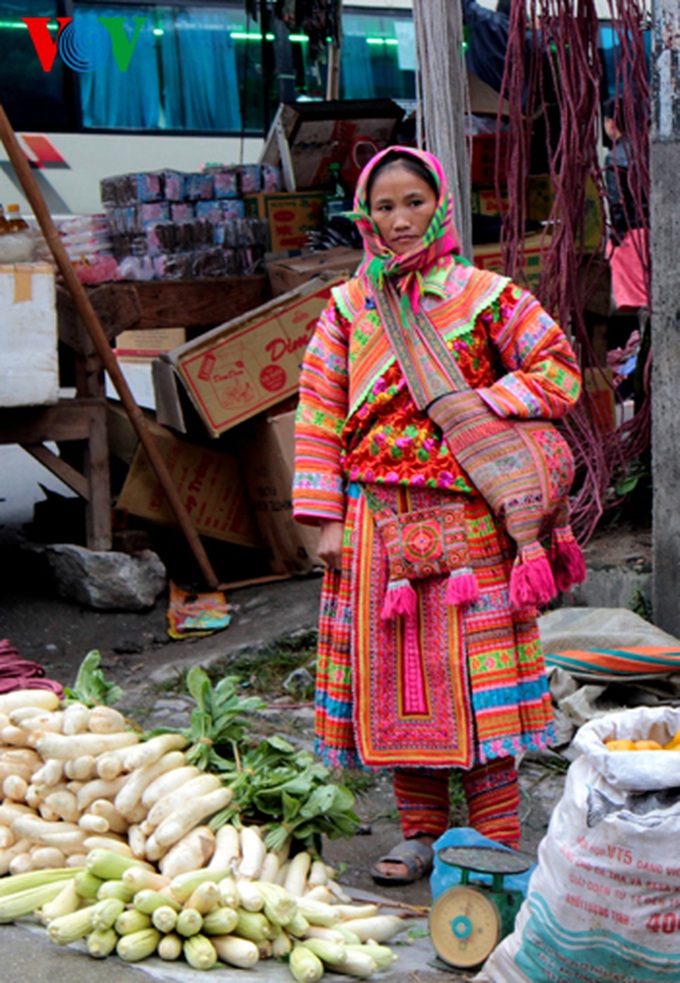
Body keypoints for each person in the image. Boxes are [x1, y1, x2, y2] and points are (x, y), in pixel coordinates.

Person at [292, 146, 582, 885]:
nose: (399, 220)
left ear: (441, 206)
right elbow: (320, 414)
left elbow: (557, 370)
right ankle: (419, 831)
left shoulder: (487, 295)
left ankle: (493, 832)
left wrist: (479, 405)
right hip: (371, 525)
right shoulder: (347, 308)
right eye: (383, 207)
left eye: (413, 202)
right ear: (363, 216)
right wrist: (323, 521)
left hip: (470, 524)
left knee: (476, 677)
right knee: (398, 679)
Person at [602, 97, 650, 311]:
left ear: (611, 122)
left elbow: (618, 201)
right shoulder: (649, 150)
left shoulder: (614, 157)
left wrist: (617, 232)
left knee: (639, 299)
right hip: (653, 229)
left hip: (632, 233)